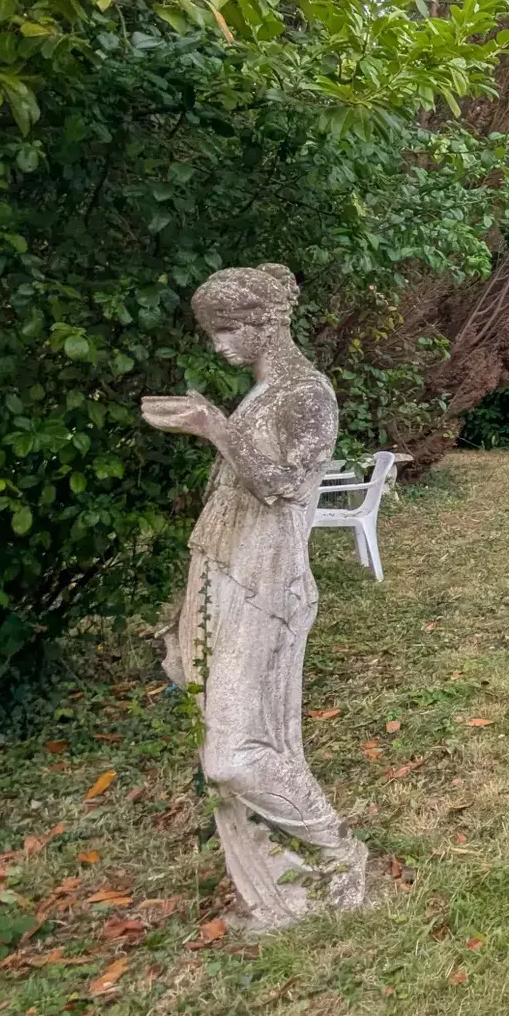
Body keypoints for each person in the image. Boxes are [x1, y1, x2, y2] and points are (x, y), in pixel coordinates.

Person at [142, 264, 368, 929]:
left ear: (265, 323)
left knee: (235, 753)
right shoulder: (265, 394)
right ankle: (289, 884)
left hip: (265, 584)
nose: (218, 345)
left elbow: (282, 485)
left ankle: (334, 850)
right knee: (224, 739)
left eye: (226, 330)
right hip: (224, 572)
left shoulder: (307, 394)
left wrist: (213, 426)